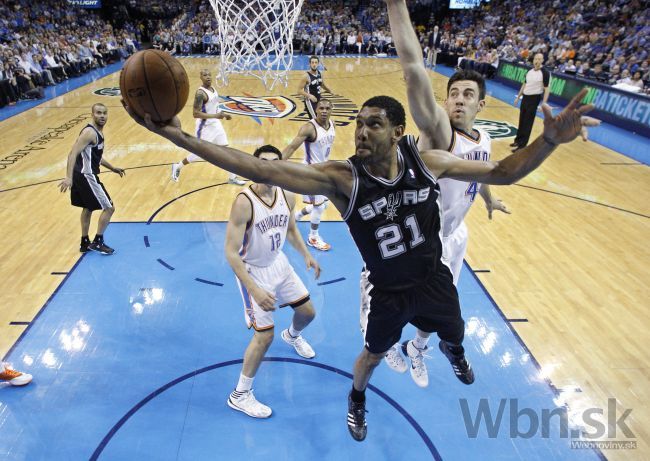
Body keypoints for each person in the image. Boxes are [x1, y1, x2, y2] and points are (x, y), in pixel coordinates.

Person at [123, 83, 598, 441]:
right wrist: (180, 138)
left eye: (373, 124)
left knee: (456, 332)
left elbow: (502, 172)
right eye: (359, 123)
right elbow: (259, 168)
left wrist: (549, 141)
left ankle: (453, 351)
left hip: (433, 279)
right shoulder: (341, 179)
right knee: (369, 357)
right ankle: (356, 398)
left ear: (397, 131)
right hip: (387, 291)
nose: (362, 131)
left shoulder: (428, 161)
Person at [381, 0, 512, 388]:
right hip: (418, 239)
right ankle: (387, 342)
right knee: (399, 305)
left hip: (453, 235)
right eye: (453, 92)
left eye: (467, 95)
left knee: (441, 306)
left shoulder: (483, 136)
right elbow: (412, 70)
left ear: (481, 104)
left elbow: (479, 168)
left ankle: (417, 349)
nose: (458, 99)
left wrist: (489, 198)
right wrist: (396, 5)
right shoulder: (440, 132)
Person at [225, 145, 321, 418]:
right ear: (253, 166)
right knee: (263, 336)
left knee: (307, 312)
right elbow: (231, 253)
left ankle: (291, 336)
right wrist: (254, 289)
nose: (268, 168)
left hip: (278, 263)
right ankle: (240, 395)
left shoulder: (286, 193)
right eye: (262, 163)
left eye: (273, 163)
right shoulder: (244, 201)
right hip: (252, 271)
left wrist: (306, 255)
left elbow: (289, 228)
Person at [59, 103, 125, 254]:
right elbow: (72, 153)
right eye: (98, 113)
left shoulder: (98, 133)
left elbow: (97, 157)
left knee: (88, 208)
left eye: (104, 113)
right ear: (92, 114)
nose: (102, 116)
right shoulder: (90, 133)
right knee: (109, 208)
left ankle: (84, 242)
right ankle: (98, 241)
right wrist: (68, 177)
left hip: (81, 174)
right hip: (86, 175)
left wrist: (113, 168)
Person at [171, 69, 244, 185]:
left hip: (216, 124)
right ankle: (177, 166)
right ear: (200, 77)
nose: (208, 77)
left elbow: (214, 106)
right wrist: (216, 115)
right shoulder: (200, 94)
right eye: (205, 75)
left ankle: (232, 178)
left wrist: (223, 115)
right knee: (200, 154)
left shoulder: (213, 89)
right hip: (204, 127)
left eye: (209, 74)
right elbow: (195, 113)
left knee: (226, 150)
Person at [281, 99, 336, 251]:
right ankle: (313, 237)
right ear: (315, 110)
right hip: (311, 173)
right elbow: (291, 147)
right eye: (321, 108)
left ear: (331, 110)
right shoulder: (309, 128)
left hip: (324, 171)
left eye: (327, 108)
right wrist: (275, 165)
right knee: (319, 206)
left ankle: (296, 216)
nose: (324, 111)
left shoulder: (332, 124)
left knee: (323, 204)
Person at [512, 53, 551, 151]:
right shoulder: (529, 71)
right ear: (533, 60)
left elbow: (547, 89)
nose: (537, 61)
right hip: (525, 98)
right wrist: (518, 97)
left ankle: (522, 146)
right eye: (535, 59)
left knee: (528, 123)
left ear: (542, 60)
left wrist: (544, 104)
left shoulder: (545, 73)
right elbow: (524, 84)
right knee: (522, 120)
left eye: (539, 59)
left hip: (534, 99)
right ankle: (517, 140)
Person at [297, 56, 333, 120]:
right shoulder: (306, 76)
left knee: (320, 119)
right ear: (310, 64)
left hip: (318, 99)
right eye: (312, 62)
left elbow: (322, 84)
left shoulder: (320, 73)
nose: (314, 64)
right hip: (310, 101)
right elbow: (299, 91)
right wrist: (310, 96)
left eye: (316, 62)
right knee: (315, 120)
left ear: (318, 64)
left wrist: (329, 90)